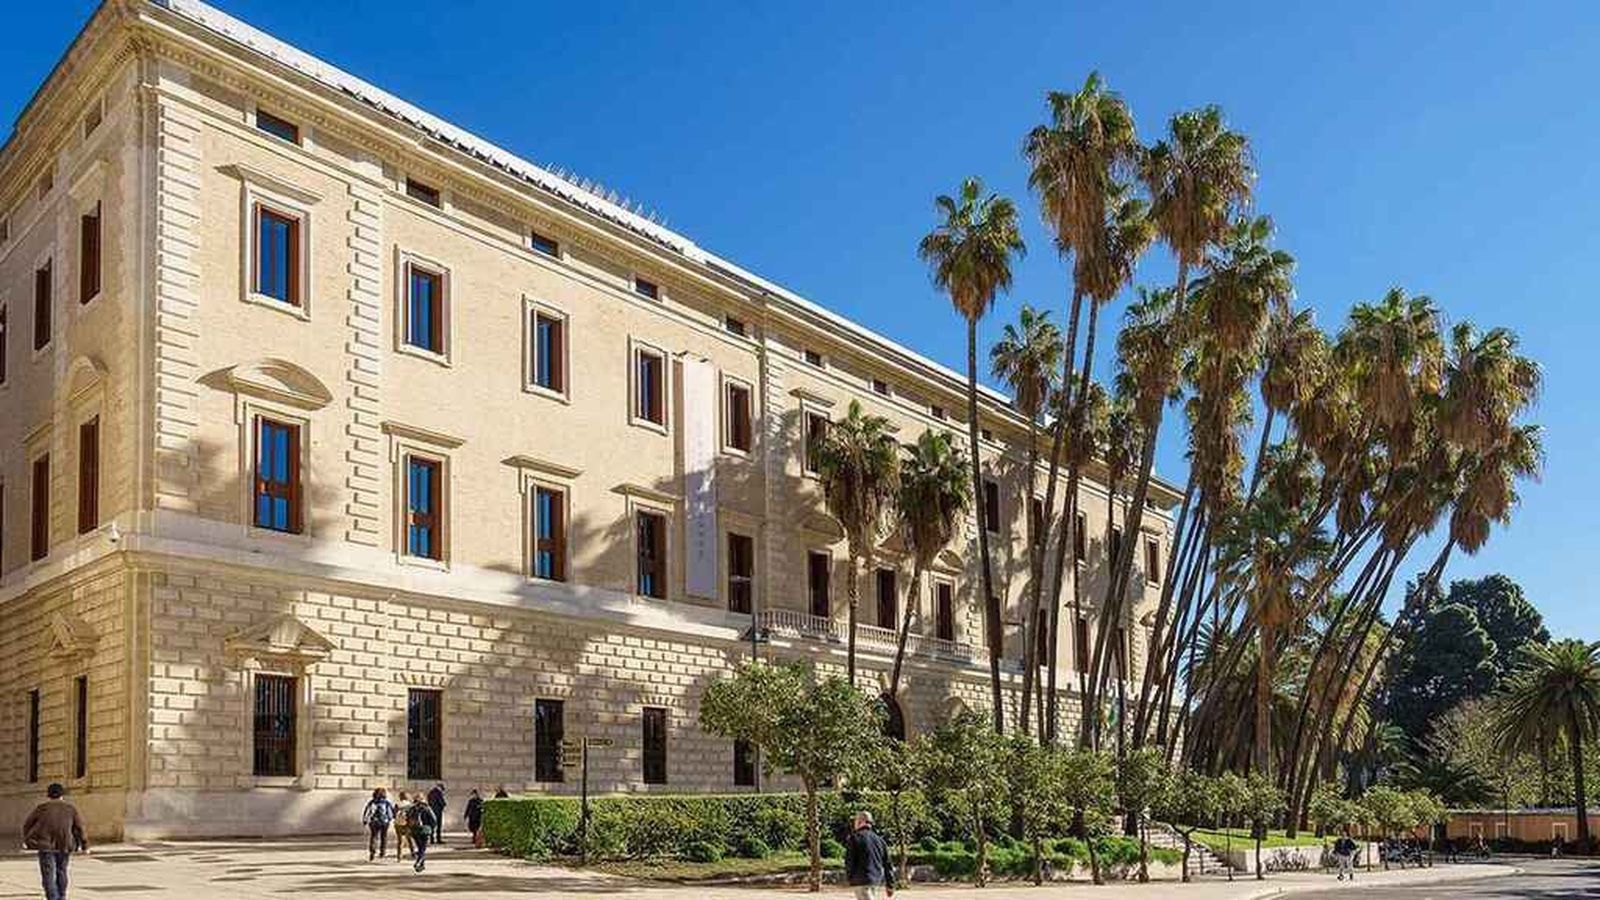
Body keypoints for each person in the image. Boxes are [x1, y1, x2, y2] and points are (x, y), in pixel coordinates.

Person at [22, 783, 88, 900]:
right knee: (62, 871)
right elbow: (79, 827)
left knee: (48, 874)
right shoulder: (70, 809)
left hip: (45, 845)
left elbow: (27, 824)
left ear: (48, 795)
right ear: (62, 795)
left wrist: (27, 839)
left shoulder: (41, 808)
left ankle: (52, 897)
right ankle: (61, 896)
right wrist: (84, 845)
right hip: (65, 845)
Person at [843, 810, 895, 900]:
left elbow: (849, 861)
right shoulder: (880, 841)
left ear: (860, 821)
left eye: (855, 821)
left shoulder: (854, 838)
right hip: (876, 880)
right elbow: (888, 864)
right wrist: (890, 885)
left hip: (860, 880)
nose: (854, 824)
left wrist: (849, 877)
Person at [362, 788, 396, 862]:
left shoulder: (371, 802)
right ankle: (382, 852)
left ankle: (372, 852)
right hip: (384, 822)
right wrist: (390, 819)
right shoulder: (386, 802)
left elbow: (367, 811)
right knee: (384, 837)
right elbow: (390, 813)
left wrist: (365, 820)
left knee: (374, 837)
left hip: (374, 822)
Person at [409, 796, 438, 873]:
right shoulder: (427, 808)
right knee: (423, 849)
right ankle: (418, 862)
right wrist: (431, 828)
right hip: (425, 830)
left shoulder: (412, 808)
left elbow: (408, 819)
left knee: (420, 848)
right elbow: (434, 820)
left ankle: (421, 865)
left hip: (415, 831)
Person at [394, 791, 415, 862]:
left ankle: (399, 857)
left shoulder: (397, 804)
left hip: (398, 824)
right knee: (409, 839)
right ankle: (413, 853)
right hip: (407, 824)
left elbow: (394, 814)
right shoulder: (410, 805)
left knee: (400, 841)